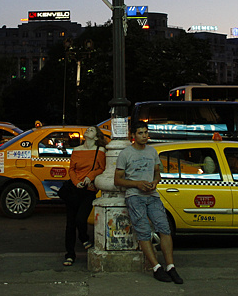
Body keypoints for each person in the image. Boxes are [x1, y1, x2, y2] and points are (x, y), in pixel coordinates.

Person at [114, 121, 182, 284]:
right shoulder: (126, 154)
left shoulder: (152, 152)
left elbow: (158, 173)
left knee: (164, 228)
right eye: (140, 133)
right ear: (133, 136)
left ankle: (170, 266)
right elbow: (118, 180)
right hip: (135, 196)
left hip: (152, 195)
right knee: (143, 231)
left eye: (146, 133)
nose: (144, 136)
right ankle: (156, 267)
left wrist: (154, 182)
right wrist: (137, 184)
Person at [62, 126, 106, 266]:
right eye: (87, 130)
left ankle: (83, 237)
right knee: (70, 224)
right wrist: (76, 182)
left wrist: (89, 177)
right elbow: (72, 169)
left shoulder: (100, 151)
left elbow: (101, 168)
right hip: (74, 189)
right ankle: (69, 254)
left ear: (96, 137)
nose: (87, 131)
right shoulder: (77, 150)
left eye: (91, 130)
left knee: (81, 219)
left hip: (89, 190)